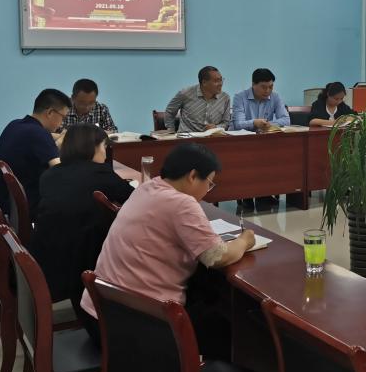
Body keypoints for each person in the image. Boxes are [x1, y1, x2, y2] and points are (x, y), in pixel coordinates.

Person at [79, 143, 254, 359]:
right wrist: (245, 241)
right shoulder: (181, 203)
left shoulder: (147, 188)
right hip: (132, 326)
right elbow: (217, 256)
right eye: (209, 183)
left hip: (99, 313)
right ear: (192, 176)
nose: (207, 191)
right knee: (229, 328)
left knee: (206, 298)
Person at [30, 125, 134, 315]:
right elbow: (133, 199)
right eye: (104, 147)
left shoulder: (50, 174)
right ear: (93, 147)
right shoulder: (101, 173)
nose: (105, 154)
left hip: (43, 260)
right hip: (75, 269)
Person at [0, 88, 69, 217]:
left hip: (1, 200)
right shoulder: (39, 134)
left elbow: (50, 138)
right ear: (50, 112)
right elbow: (61, 172)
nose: (62, 123)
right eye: (63, 117)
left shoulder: (15, 124)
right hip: (20, 208)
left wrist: (64, 138)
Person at [164, 66, 232, 133]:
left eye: (221, 80)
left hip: (212, 137)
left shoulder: (225, 98)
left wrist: (216, 127)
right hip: (187, 136)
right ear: (204, 82)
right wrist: (171, 131)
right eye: (216, 81)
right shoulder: (185, 93)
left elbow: (226, 122)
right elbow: (170, 112)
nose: (220, 84)